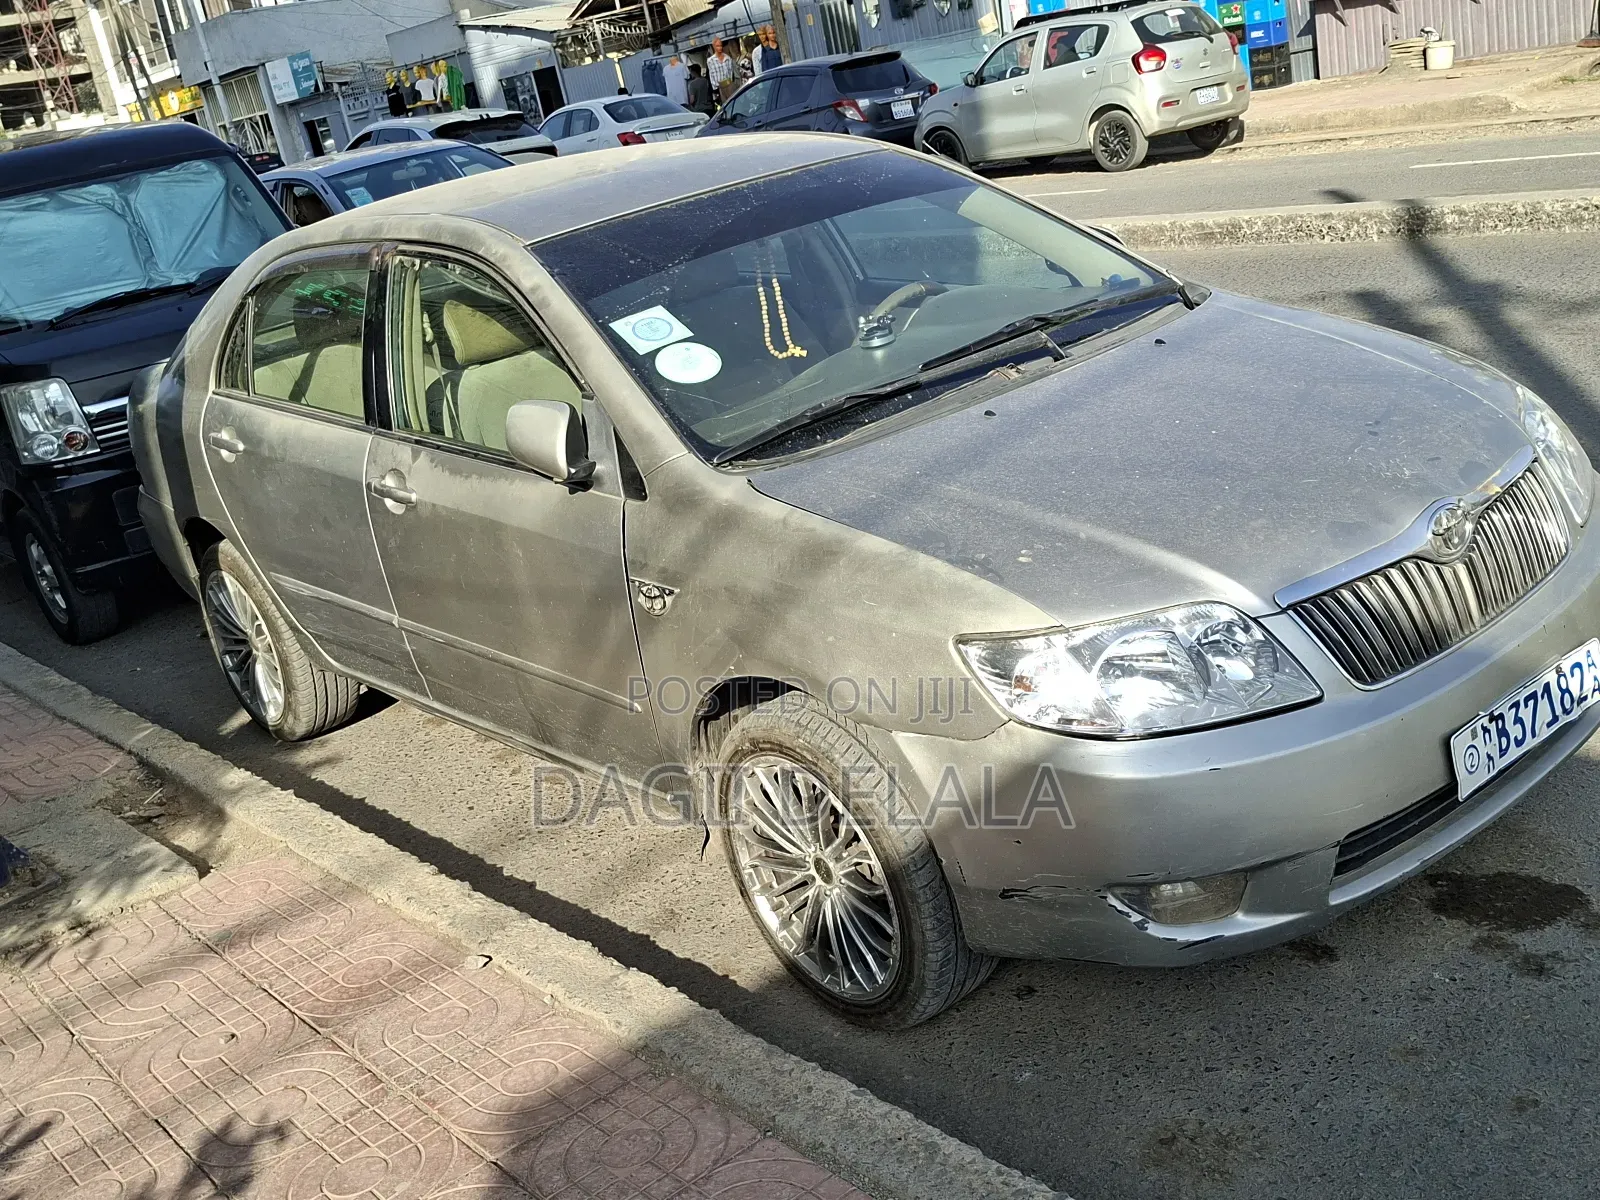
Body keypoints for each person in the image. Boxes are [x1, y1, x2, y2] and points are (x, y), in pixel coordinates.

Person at [706, 37, 738, 104]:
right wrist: (715, 89)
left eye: (721, 46)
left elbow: (730, 73)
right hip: (719, 87)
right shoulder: (710, 61)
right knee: (725, 105)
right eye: (717, 46)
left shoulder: (728, 58)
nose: (720, 48)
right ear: (714, 46)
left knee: (733, 102)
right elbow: (711, 75)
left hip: (729, 84)